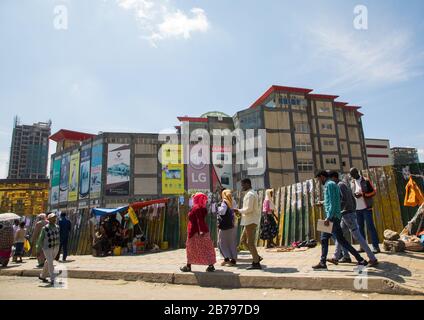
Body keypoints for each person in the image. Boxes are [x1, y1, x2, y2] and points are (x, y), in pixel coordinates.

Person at [312, 170, 368, 270]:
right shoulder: (334, 185)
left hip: (332, 217)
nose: (318, 181)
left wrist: (328, 217)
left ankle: (323, 262)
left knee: (332, 239)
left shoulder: (329, 185)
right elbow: (336, 200)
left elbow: (333, 203)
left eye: (318, 179)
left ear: (321, 177)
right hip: (335, 216)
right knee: (333, 239)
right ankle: (360, 259)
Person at [327, 171, 379, 267]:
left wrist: (338, 210)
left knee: (357, 236)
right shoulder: (344, 184)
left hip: (347, 214)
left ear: (333, 178)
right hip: (346, 214)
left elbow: (344, 200)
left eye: (330, 179)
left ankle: (373, 258)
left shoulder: (340, 185)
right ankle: (336, 257)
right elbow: (351, 197)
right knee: (340, 235)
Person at [180, 193, 216, 273]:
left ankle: (188, 266)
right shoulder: (202, 207)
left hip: (195, 232)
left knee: (191, 249)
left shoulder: (197, 208)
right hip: (199, 230)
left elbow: (200, 220)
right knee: (205, 248)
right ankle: (210, 265)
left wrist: (201, 230)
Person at [350, 168, 381, 253]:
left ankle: (376, 247)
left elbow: (374, 192)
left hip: (366, 208)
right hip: (357, 209)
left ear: (357, 172)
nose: (352, 176)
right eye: (351, 175)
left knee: (370, 227)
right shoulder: (352, 182)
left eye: (353, 174)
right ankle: (363, 247)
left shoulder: (366, 180)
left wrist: (362, 194)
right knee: (360, 229)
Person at [234, 178, 262, 270]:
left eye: (243, 185)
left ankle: (256, 263)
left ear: (248, 184)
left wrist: (238, 210)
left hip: (250, 221)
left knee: (250, 243)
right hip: (248, 221)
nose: (242, 187)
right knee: (243, 241)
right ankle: (256, 257)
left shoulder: (250, 194)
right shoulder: (250, 193)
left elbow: (249, 209)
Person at [37, 213, 60, 285]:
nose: (54, 219)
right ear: (49, 219)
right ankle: (53, 278)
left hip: (55, 246)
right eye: (53, 218)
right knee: (50, 262)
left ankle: (42, 276)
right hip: (47, 248)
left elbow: (58, 237)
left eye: (55, 218)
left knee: (48, 261)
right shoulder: (45, 228)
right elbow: (40, 239)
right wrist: (38, 248)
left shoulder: (57, 227)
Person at [217, 189, 238, 266]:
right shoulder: (233, 201)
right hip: (232, 224)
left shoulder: (224, 202)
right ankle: (233, 260)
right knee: (232, 242)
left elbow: (222, 211)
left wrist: (217, 209)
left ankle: (226, 259)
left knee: (221, 242)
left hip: (225, 225)